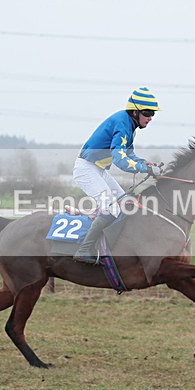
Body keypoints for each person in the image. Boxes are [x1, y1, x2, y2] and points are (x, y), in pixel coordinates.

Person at [72, 87, 160, 264]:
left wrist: (145, 163)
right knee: (111, 209)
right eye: (147, 113)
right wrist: (144, 169)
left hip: (98, 169)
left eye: (153, 114)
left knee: (126, 203)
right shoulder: (122, 125)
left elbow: (129, 154)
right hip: (87, 170)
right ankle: (84, 250)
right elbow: (119, 159)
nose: (150, 117)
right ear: (135, 112)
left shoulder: (129, 125)